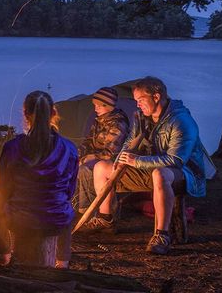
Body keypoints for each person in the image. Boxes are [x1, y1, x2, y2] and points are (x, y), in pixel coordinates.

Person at [80, 77, 207, 255]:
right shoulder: (141, 117)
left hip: (184, 174)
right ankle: (105, 219)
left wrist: (136, 161)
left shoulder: (181, 121)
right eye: (136, 100)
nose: (138, 105)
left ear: (156, 96)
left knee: (160, 174)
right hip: (150, 168)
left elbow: (176, 160)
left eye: (140, 100)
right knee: (102, 167)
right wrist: (121, 159)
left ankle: (161, 235)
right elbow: (131, 141)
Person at [0, 91, 78, 268]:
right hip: (56, 221)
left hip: (20, 221)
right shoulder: (69, 148)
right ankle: (63, 261)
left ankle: (4, 255)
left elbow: (5, 189)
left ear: (25, 114)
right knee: (64, 200)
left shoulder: (12, 147)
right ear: (53, 113)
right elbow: (70, 190)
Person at [74, 87, 130, 213]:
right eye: (95, 105)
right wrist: (78, 152)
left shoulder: (118, 124)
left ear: (108, 105)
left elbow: (110, 153)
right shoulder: (99, 121)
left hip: (111, 162)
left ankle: (89, 210)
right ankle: (76, 205)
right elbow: (89, 141)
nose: (95, 109)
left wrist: (89, 158)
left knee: (85, 168)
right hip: (96, 157)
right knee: (73, 164)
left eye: (99, 106)